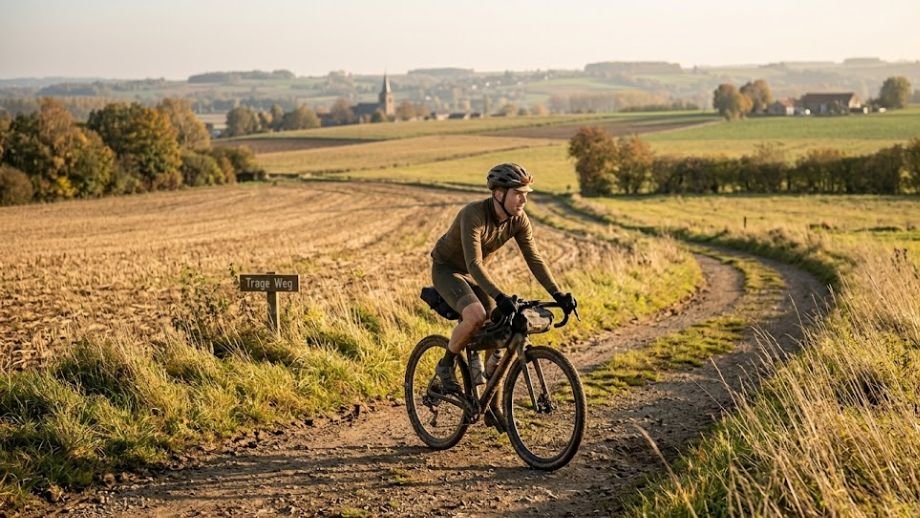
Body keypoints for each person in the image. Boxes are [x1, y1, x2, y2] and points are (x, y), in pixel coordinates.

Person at [429, 163, 577, 397]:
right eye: (518, 194)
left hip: (474, 274)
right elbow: (474, 264)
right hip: (447, 270)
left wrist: (557, 294)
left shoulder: (518, 220)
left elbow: (535, 259)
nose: (523, 200)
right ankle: (446, 365)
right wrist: (499, 296)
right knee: (476, 315)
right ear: (499, 193)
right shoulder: (473, 214)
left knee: (500, 320)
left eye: (526, 194)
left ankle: (491, 402)